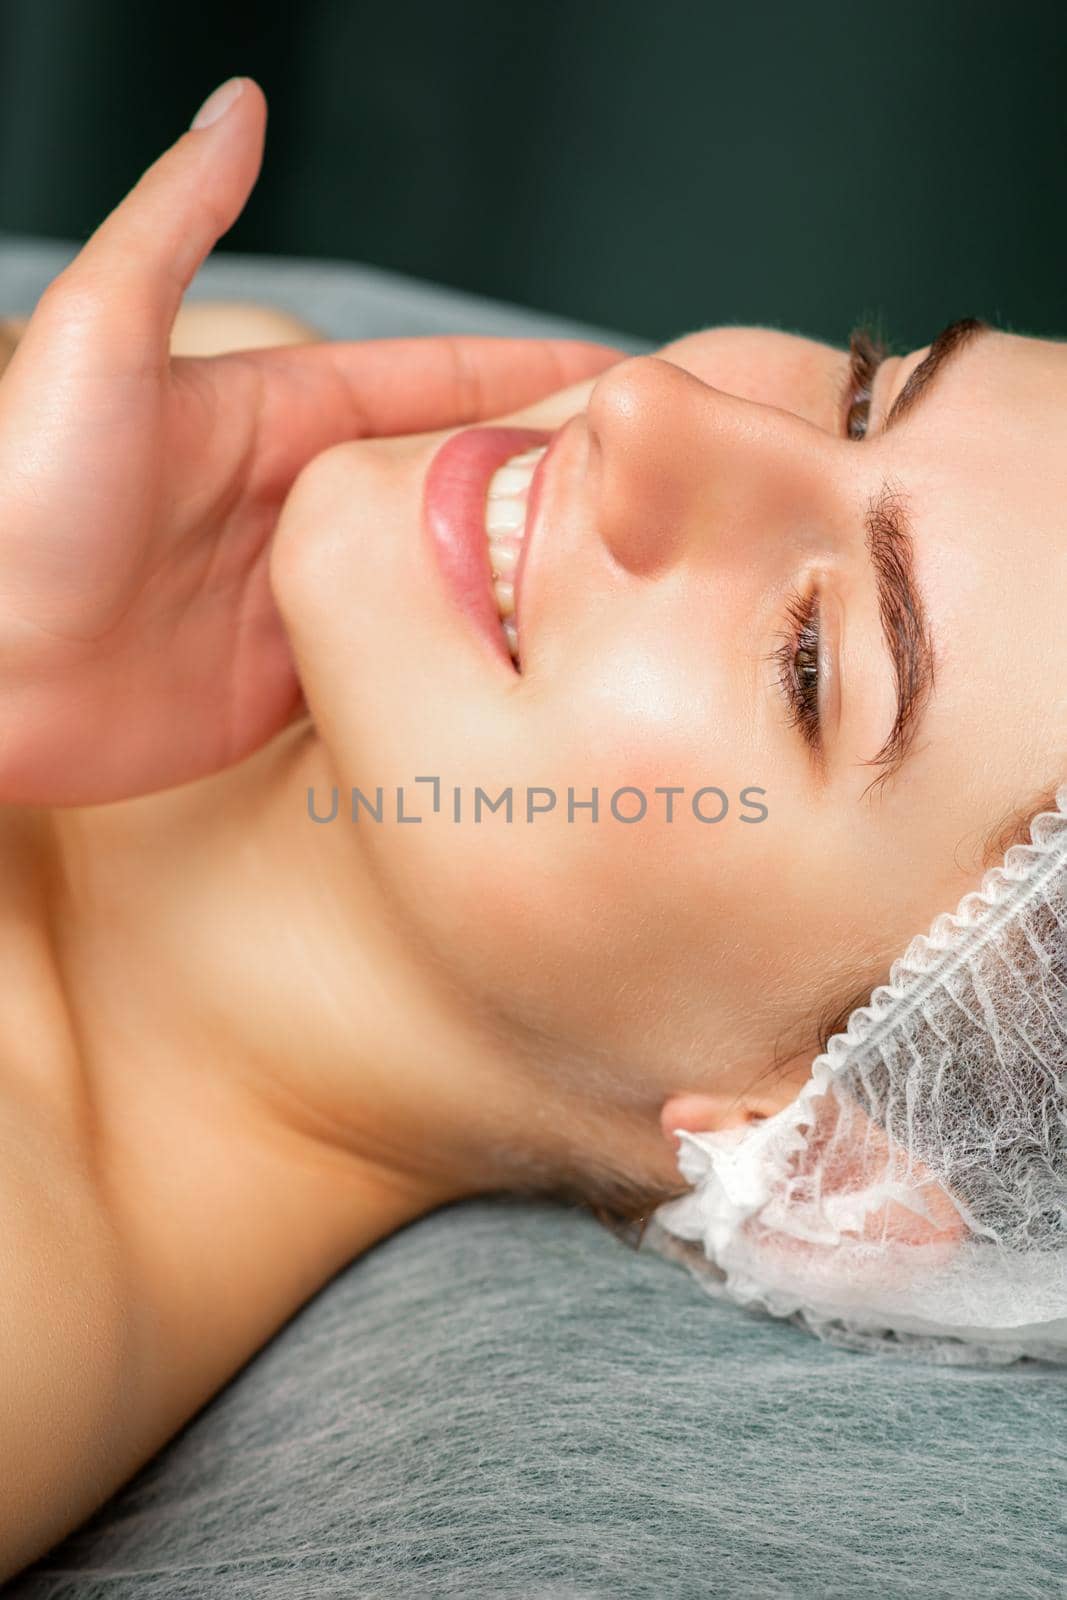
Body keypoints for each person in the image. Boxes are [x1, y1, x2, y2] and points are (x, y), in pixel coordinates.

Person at [0, 75, 1063, 1579]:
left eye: (812, 667)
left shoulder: (24, 1309)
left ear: (834, 1173)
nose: (649, 408)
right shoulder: (184, 430)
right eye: (862, 392)